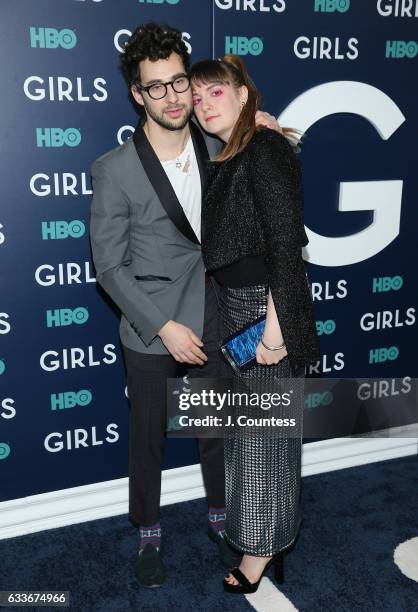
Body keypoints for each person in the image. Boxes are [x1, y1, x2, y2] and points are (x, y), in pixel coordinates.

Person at [89, 23, 280, 588]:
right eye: (156, 87)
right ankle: (148, 530)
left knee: (216, 430)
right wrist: (161, 325)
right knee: (148, 437)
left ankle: (222, 520)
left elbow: (262, 171)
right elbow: (110, 267)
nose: (172, 98)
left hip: (216, 315)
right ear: (136, 94)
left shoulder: (219, 143)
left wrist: (262, 129)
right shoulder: (114, 168)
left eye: (179, 83)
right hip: (152, 327)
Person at [190, 55, 320, 593]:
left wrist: (276, 327)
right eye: (196, 99)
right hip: (238, 307)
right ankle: (263, 539)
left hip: (263, 311)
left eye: (215, 93)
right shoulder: (243, 148)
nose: (202, 106)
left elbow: (286, 245)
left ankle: (260, 553)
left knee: (263, 440)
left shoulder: (263, 150)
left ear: (244, 94)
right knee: (252, 436)